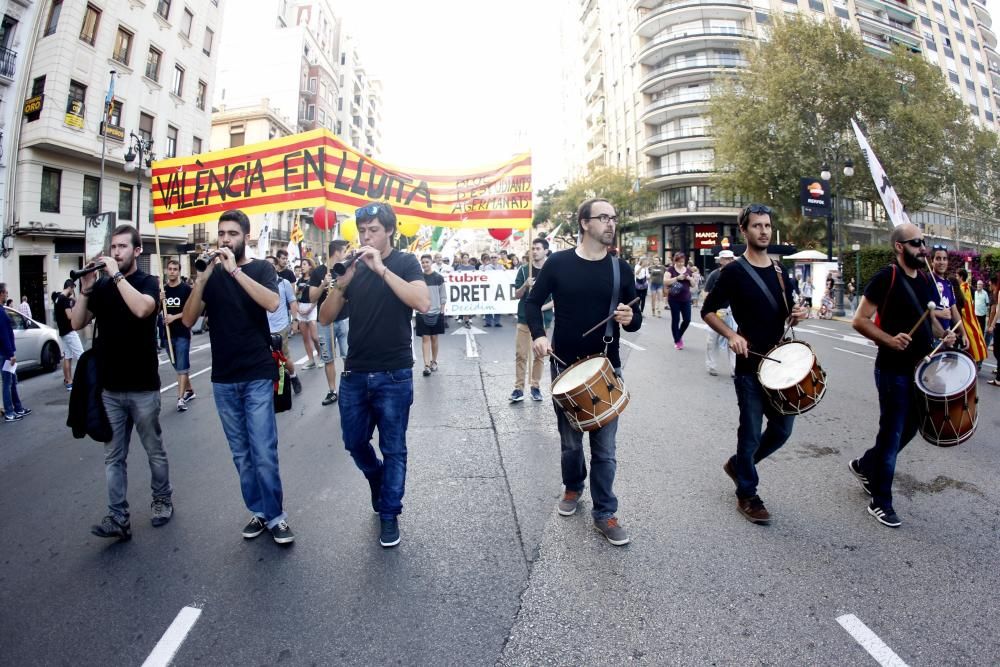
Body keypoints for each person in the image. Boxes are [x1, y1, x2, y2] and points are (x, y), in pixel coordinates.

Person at [525, 197, 643, 546]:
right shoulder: (558, 264)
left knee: (605, 450)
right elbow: (531, 303)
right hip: (565, 367)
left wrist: (629, 318)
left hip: (606, 367)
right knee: (571, 444)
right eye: (603, 217)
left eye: (614, 217)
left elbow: (635, 320)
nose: (610, 223)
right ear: (584, 223)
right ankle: (573, 486)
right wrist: (539, 336)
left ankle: (605, 512)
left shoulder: (619, 268)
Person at [318, 202, 430, 548]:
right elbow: (324, 318)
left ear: (389, 232)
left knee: (394, 448)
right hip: (355, 374)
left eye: (374, 230)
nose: (366, 236)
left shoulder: (405, 262)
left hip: (394, 374)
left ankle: (389, 513)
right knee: (353, 442)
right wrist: (341, 284)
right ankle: (376, 478)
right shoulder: (352, 267)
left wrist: (380, 269)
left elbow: (422, 302)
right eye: (362, 231)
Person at [181, 209, 294, 545]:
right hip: (224, 378)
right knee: (241, 454)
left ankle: (276, 517)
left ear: (246, 237)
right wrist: (202, 278)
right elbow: (187, 321)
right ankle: (259, 511)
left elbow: (273, 303)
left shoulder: (260, 268)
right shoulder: (210, 276)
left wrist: (234, 272)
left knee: (263, 450)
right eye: (222, 234)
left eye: (232, 233)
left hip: (258, 373)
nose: (225, 239)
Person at [700, 204, 808, 525]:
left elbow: (788, 315)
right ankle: (747, 493)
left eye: (767, 226)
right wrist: (731, 334)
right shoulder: (731, 273)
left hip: (779, 364)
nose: (764, 231)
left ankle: (739, 464)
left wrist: (796, 316)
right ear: (744, 231)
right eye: (757, 226)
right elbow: (707, 310)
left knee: (782, 430)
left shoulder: (780, 272)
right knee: (750, 432)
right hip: (749, 366)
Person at [69, 225, 172, 540]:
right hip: (110, 389)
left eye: (123, 247)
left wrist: (116, 276)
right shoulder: (101, 287)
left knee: (154, 450)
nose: (115, 253)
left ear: (137, 251)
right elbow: (76, 323)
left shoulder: (148, 283)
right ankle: (118, 517)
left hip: (142, 387)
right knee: (113, 456)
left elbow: (142, 309)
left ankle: (162, 500)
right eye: (113, 247)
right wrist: (86, 290)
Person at [849, 224, 953, 527]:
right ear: (899, 246)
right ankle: (880, 501)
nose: (923, 248)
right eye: (916, 243)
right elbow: (860, 320)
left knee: (910, 429)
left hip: (919, 370)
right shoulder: (887, 277)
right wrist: (889, 339)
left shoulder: (924, 280)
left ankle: (866, 465)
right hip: (892, 370)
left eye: (924, 242)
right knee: (892, 432)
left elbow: (930, 319)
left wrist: (943, 335)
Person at [511, 238, 554, 402]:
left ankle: (535, 387)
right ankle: (518, 388)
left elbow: (556, 299)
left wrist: (539, 309)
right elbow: (516, 295)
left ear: (545, 251)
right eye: (532, 248)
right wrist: (525, 286)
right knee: (521, 354)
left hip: (543, 320)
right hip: (524, 318)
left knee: (539, 355)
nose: (534, 251)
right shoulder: (523, 270)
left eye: (537, 248)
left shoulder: (551, 270)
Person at [308, 241, 349, 406]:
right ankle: (332, 391)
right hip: (325, 323)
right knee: (328, 358)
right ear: (337, 252)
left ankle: (349, 389)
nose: (346, 253)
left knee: (349, 357)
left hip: (345, 318)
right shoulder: (318, 271)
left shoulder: (345, 269)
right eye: (345, 250)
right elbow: (311, 297)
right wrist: (323, 284)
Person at [162, 259, 198, 412]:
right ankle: (190, 391)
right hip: (168, 335)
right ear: (165, 271)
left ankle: (180, 398)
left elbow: (191, 310)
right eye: (169, 269)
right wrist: (159, 300)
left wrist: (174, 317)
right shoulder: (163, 290)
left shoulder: (185, 290)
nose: (172, 271)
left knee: (182, 366)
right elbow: (157, 311)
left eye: (175, 269)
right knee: (177, 366)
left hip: (182, 333)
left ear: (179, 271)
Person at [264, 255, 303, 395]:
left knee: (283, 358)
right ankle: (276, 388)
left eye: (270, 264)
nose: (267, 267)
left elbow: (292, 302)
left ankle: (293, 377)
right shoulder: (259, 283)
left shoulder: (283, 282)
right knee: (267, 359)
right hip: (263, 328)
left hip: (280, 326)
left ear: (275, 266)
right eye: (265, 264)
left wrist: (295, 321)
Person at [703, 250, 737, 377]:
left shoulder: (737, 274)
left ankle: (734, 369)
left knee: (734, 342)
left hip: (732, 313)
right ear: (721, 260)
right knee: (712, 341)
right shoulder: (714, 274)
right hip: (715, 313)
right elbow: (706, 292)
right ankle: (711, 366)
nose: (728, 261)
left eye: (730, 259)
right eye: (726, 259)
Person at [1, 283, 31, 423]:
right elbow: (3, 335)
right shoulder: (0, 312)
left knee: (13, 381)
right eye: (6, 292)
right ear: (1, 294)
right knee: (8, 383)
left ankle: (17, 408)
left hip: (7, 352)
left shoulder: (2, 310)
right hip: (5, 354)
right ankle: (9, 412)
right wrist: (10, 354)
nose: (7, 294)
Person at [929, 246, 967, 348]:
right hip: (932, 339)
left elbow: (954, 312)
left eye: (944, 259)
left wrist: (964, 333)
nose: (942, 262)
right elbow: (920, 310)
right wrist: (939, 313)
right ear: (932, 261)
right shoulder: (927, 280)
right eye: (938, 258)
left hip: (947, 339)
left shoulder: (948, 284)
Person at [416, 254, 446, 376]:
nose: (424, 264)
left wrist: (442, 310)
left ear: (431, 262)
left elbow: (443, 295)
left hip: (436, 312)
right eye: (422, 262)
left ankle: (434, 361)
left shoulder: (438, 278)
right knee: (425, 338)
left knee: (434, 338)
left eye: (427, 262)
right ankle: (426, 365)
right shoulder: (418, 278)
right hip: (422, 312)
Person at [54, 280, 84, 391]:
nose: (73, 291)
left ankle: (68, 381)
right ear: (70, 287)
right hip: (69, 331)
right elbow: (70, 316)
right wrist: (75, 307)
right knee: (81, 355)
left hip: (63, 332)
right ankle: (83, 380)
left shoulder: (57, 298)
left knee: (67, 356)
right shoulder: (65, 300)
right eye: (73, 288)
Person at [954, 268, 987, 368]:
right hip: (967, 318)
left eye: (957, 276)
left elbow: (965, 306)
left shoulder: (963, 288)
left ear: (961, 277)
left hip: (964, 319)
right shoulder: (966, 286)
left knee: (967, 343)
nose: (956, 278)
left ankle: (970, 365)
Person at [664, 251, 693, 349]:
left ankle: (678, 335)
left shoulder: (688, 270)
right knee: (676, 319)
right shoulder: (670, 270)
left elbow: (693, 284)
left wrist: (689, 279)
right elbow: (665, 282)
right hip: (674, 299)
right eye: (679, 262)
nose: (681, 263)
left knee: (687, 320)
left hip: (686, 299)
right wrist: (677, 278)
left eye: (682, 261)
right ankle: (677, 341)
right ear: (675, 261)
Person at [296, 258, 321, 369]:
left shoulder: (314, 279)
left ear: (310, 266)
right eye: (301, 264)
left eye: (305, 264)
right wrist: (297, 308)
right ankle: (311, 360)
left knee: (315, 337)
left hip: (311, 308)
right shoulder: (300, 280)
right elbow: (295, 296)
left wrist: (310, 309)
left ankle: (321, 356)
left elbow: (316, 297)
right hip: (301, 308)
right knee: (305, 338)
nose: (302, 266)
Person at [482, 253, 505, 327]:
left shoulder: (502, 267)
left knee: (498, 304)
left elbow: (505, 276)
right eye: (492, 257)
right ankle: (488, 322)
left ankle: (497, 322)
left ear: (498, 259)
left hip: (498, 288)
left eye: (495, 257)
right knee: (488, 304)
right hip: (488, 288)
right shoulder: (486, 267)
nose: (493, 258)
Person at [974, 278, 991, 346]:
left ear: (982, 286)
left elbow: (987, 303)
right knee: (976, 327)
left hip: (982, 314)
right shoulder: (975, 292)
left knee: (982, 327)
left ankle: (981, 340)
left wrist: (986, 311)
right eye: (978, 284)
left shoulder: (985, 293)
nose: (979, 286)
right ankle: (977, 340)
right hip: (976, 313)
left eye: (980, 284)